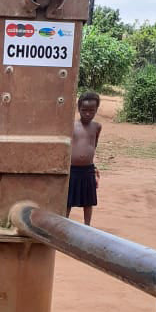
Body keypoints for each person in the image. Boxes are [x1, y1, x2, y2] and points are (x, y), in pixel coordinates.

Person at [67, 91, 101, 225]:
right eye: (84, 110)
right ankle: (64, 223)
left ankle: (87, 225)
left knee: (88, 201)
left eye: (91, 110)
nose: (87, 113)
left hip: (88, 169)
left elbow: (93, 145)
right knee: (68, 200)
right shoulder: (71, 126)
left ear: (96, 109)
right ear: (78, 108)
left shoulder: (97, 127)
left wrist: (94, 166)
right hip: (72, 169)